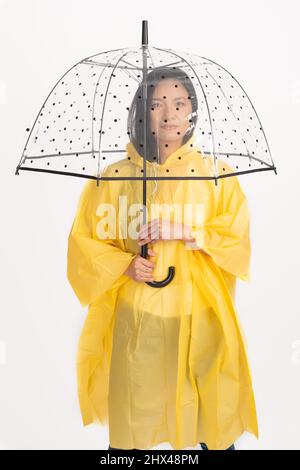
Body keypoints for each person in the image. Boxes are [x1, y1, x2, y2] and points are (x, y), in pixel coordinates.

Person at [67, 66, 258, 451]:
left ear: (193, 111)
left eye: (179, 102)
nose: (168, 113)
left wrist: (185, 231)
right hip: (140, 324)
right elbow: (84, 242)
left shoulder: (215, 176)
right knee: (133, 430)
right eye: (157, 104)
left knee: (213, 426)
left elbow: (235, 237)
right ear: (142, 111)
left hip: (201, 320)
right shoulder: (115, 179)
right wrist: (124, 263)